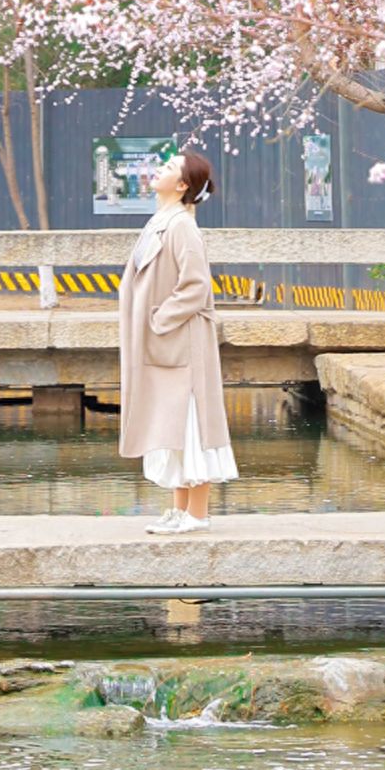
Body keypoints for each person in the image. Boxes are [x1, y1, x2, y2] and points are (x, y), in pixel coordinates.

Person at [118, 148, 238, 534]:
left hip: (181, 341)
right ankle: (179, 509)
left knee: (189, 420)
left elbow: (196, 285)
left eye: (169, 167)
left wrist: (159, 319)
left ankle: (197, 514)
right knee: (170, 421)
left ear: (183, 184)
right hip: (164, 340)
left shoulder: (183, 225)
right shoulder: (162, 220)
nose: (159, 169)